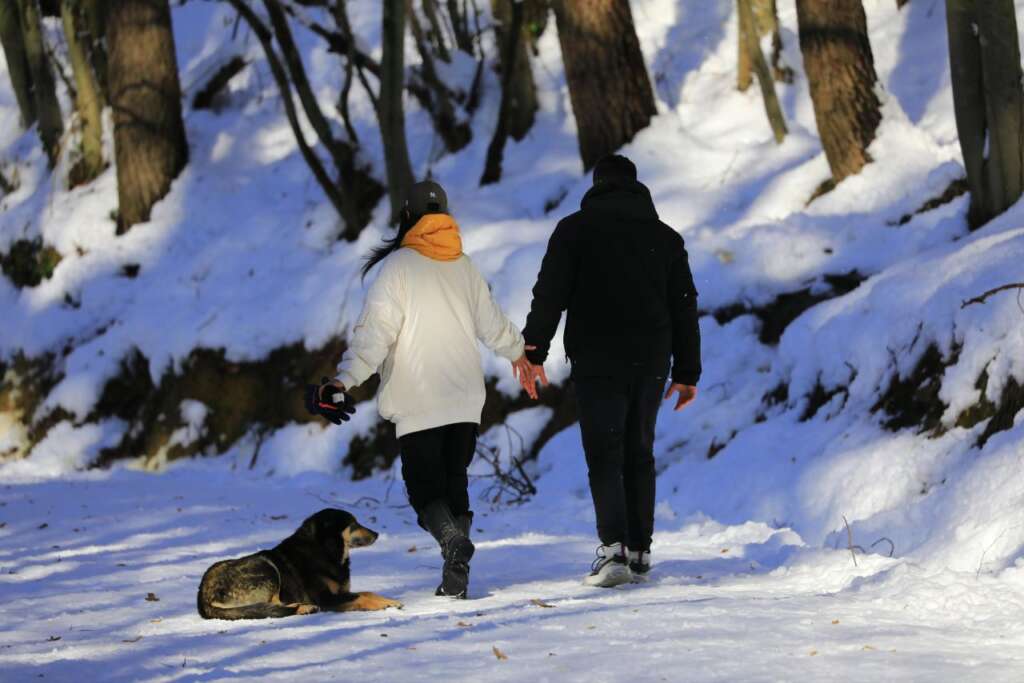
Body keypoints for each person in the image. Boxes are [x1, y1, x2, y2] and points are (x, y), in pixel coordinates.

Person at [320, 180, 535, 599]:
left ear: (406, 217)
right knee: (455, 485)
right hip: (464, 400)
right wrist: (519, 354)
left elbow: (373, 337)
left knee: (424, 490)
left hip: (420, 400)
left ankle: (453, 546)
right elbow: (493, 325)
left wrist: (343, 381)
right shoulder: (464, 266)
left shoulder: (399, 267)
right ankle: (456, 573)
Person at [521, 154, 701, 587]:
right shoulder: (666, 238)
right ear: (637, 188)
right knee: (639, 450)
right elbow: (684, 307)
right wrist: (688, 371)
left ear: (597, 186)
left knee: (604, 452)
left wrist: (533, 350)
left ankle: (614, 550)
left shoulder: (574, 230)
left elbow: (551, 293)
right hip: (651, 360)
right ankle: (640, 551)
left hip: (597, 357)